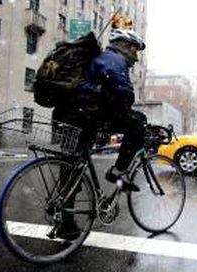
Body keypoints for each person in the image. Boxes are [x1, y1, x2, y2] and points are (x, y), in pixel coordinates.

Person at [52, 29, 147, 239]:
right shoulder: (114, 59)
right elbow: (124, 93)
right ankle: (118, 171)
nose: (136, 55)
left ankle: (66, 224)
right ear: (124, 45)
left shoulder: (97, 58)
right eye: (134, 49)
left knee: (73, 165)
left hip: (67, 114)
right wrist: (124, 107)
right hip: (86, 115)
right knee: (138, 122)